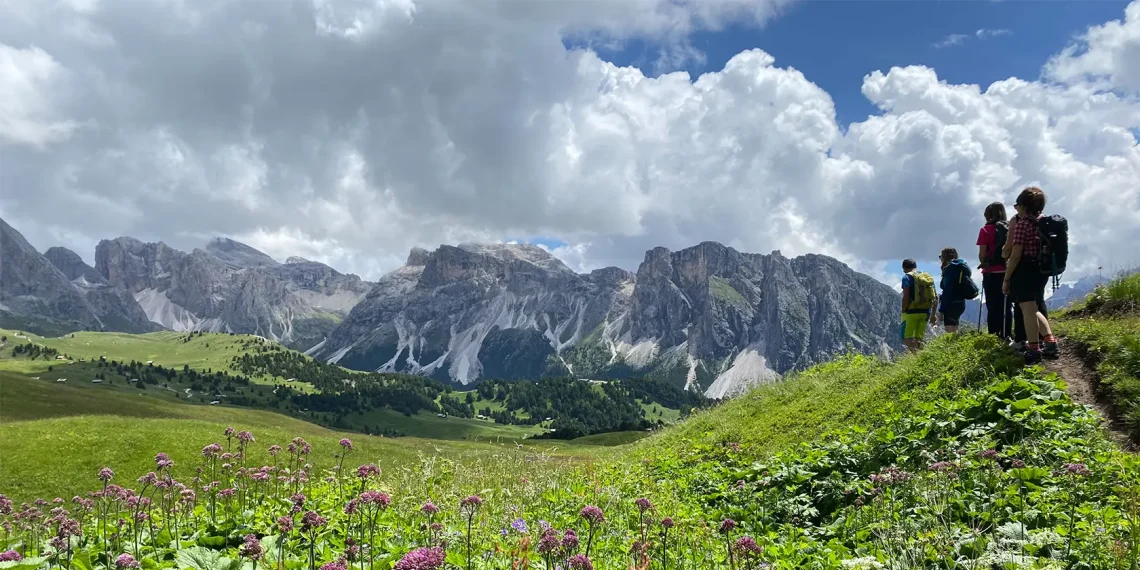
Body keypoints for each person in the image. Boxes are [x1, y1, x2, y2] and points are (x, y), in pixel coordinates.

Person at [1002, 187, 1059, 363]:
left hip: (1025, 270)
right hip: (1041, 271)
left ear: (1024, 205)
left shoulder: (1023, 224)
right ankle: (1050, 342)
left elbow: (1016, 254)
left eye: (1016, 205)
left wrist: (1007, 278)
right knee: (1033, 308)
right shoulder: (1043, 222)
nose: (1015, 208)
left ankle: (1034, 349)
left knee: (1027, 309)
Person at [977, 202, 1014, 338]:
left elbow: (982, 254)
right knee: (1006, 305)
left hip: (991, 273)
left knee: (992, 305)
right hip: (1007, 271)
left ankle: (993, 334)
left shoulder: (985, 230)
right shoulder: (1010, 228)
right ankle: (1006, 334)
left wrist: (984, 262)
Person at [900, 258, 937, 351]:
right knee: (918, 337)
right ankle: (922, 357)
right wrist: (933, 314)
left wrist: (904, 308)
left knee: (906, 336)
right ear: (915, 267)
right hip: (926, 312)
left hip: (911, 312)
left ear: (904, 268)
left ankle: (916, 357)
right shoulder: (926, 277)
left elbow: (906, 295)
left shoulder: (906, 277)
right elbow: (935, 297)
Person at [936, 247, 971, 333]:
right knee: (954, 327)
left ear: (944, 257)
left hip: (951, 303)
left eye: (941, 257)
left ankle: (954, 346)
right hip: (960, 302)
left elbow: (947, 292)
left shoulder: (950, 270)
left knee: (950, 330)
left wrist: (941, 311)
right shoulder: (961, 267)